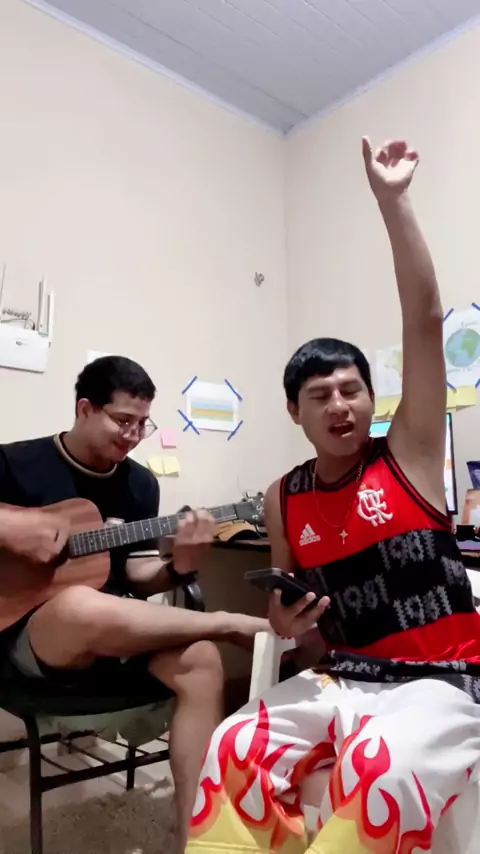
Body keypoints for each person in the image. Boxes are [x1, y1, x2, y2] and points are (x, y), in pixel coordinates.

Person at [185, 138, 480, 854]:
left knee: (379, 771)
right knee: (231, 744)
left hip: (442, 682)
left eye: (352, 390)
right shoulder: (283, 496)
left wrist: (393, 201)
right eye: (320, 395)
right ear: (295, 412)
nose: (340, 405)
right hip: (342, 677)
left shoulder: (408, 454)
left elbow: (424, 317)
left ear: (373, 400)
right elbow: (293, 621)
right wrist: (286, 622)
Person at [0, 355, 268, 847]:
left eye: (143, 424)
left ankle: (198, 838)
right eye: (123, 420)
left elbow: (138, 576)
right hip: (31, 637)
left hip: (117, 629)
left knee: (201, 660)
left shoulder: (141, 484)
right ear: (84, 409)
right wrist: (10, 525)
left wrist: (179, 566)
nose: (133, 435)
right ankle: (227, 623)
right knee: (79, 604)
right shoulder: (15, 463)